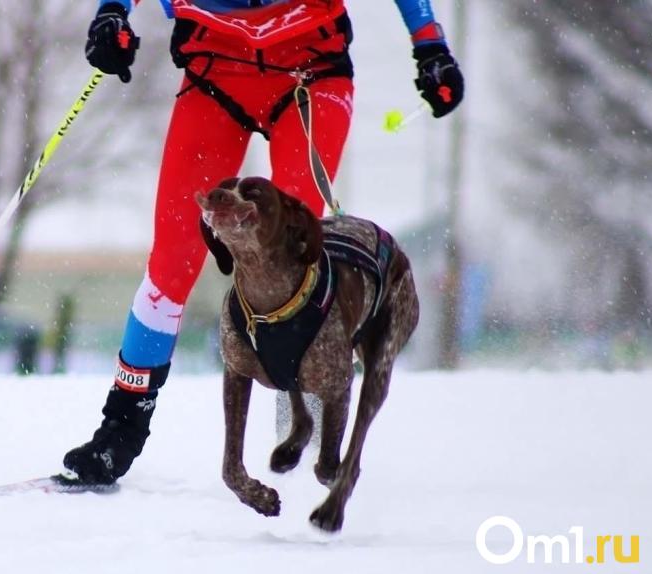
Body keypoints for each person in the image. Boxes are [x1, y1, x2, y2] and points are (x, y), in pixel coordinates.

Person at [63, 0, 464, 485]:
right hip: (215, 74)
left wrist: (429, 43)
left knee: (292, 257)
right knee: (172, 261)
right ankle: (120, 429)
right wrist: (112, 14)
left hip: (309, 74)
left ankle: (307, 435)